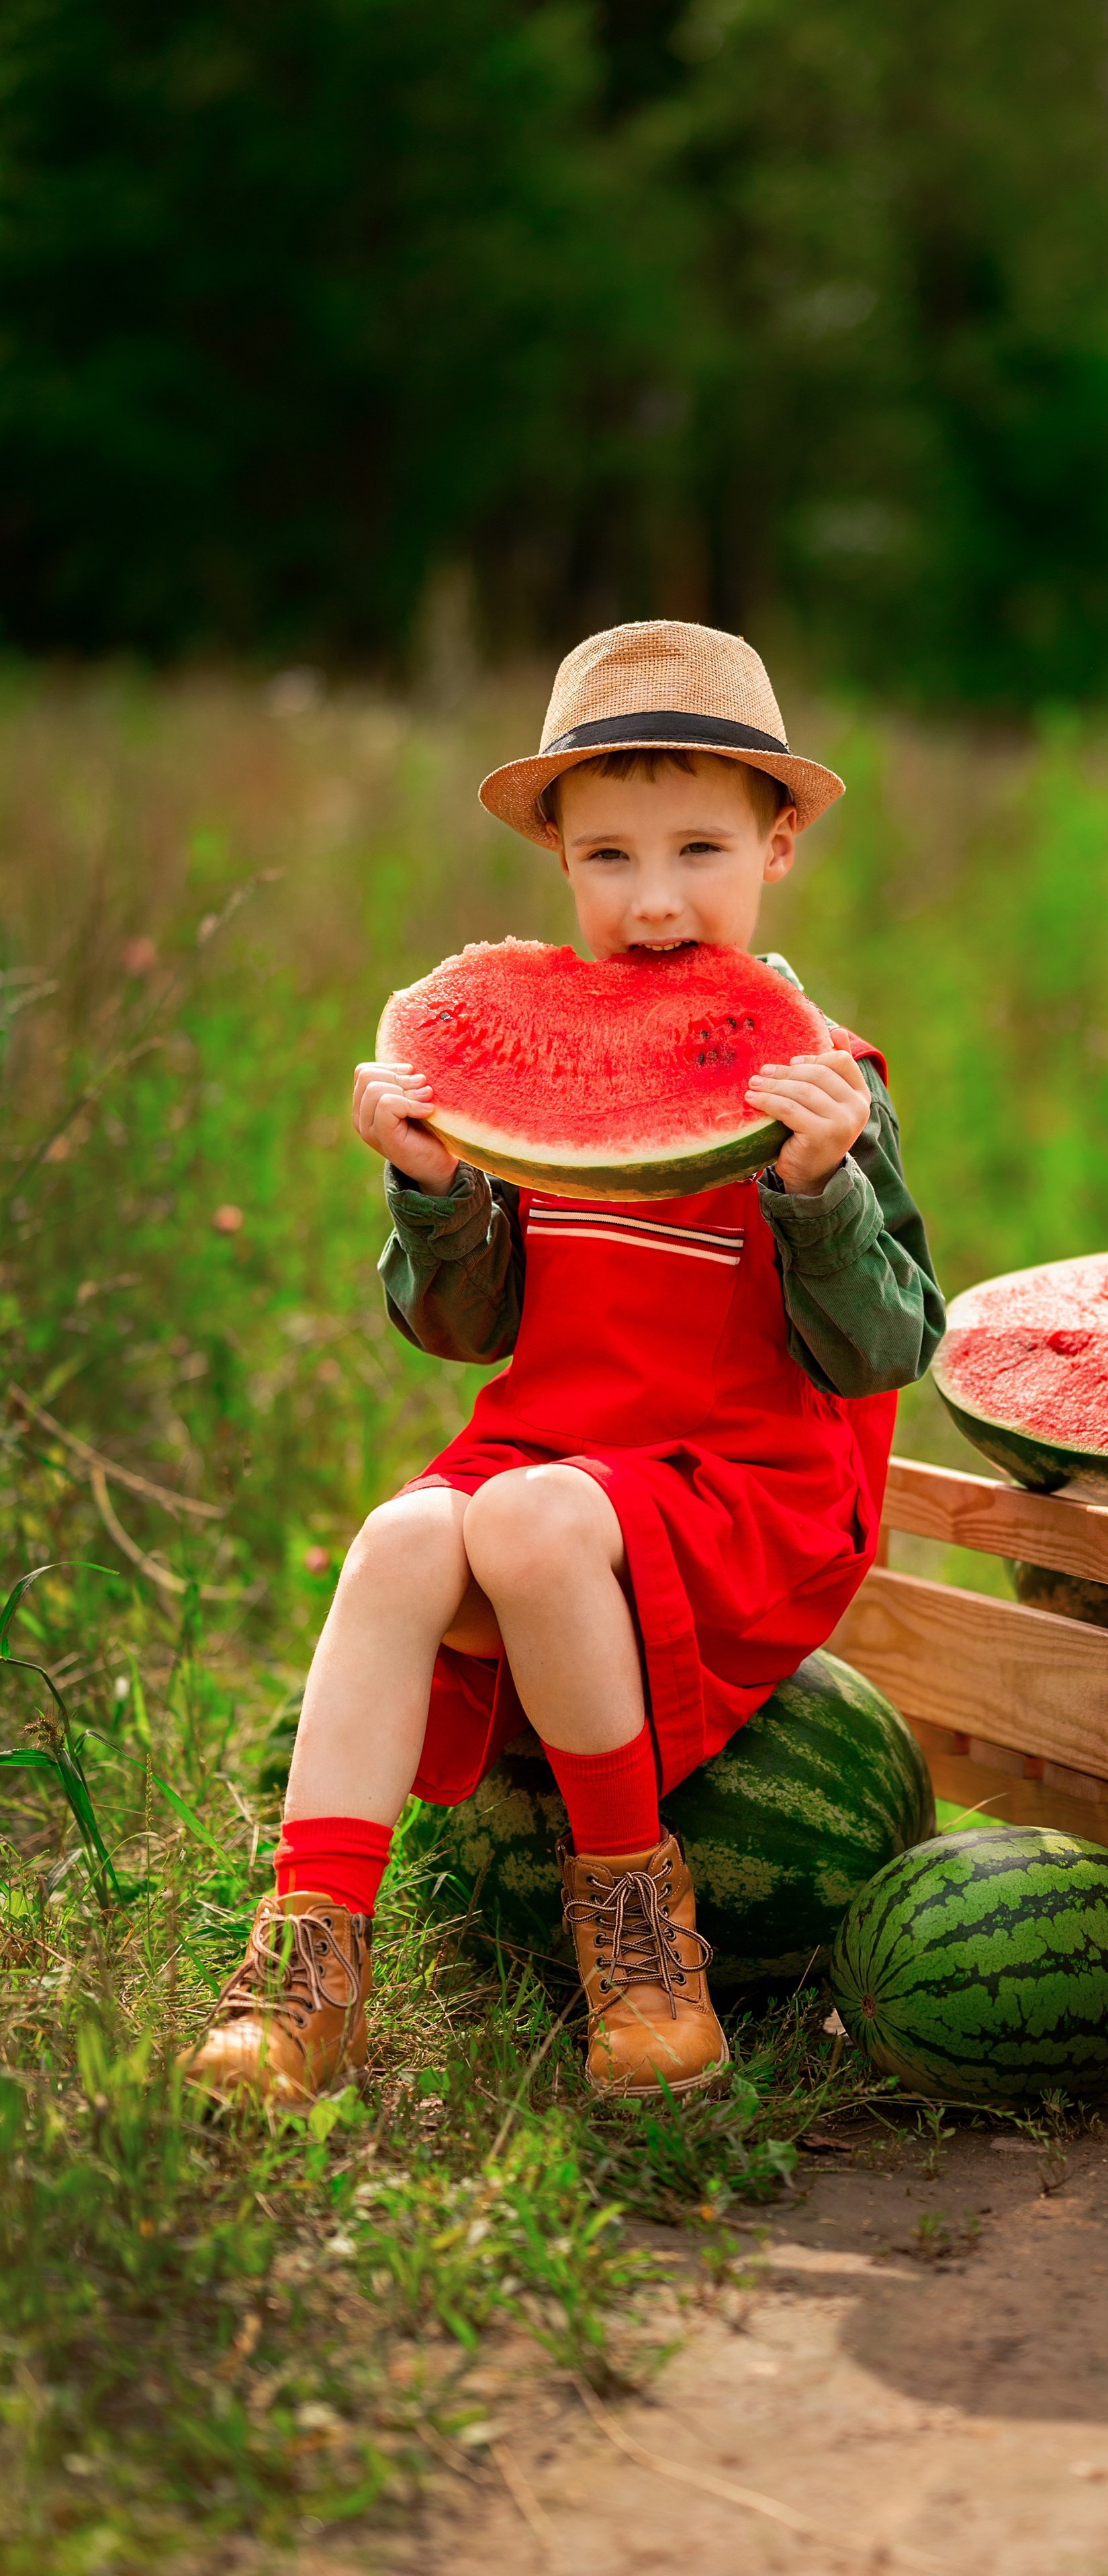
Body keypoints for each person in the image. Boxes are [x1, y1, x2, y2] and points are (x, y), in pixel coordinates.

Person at [185, 621, 943, 2106]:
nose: (654, 900)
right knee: (400, 1540)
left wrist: (817, 1188)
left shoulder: (827, 1084)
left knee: (527, 1522)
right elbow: (465, 1331)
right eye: (608, 857)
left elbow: (885, 1348)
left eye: (699, 850)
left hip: (748, 1486)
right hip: (554, 1449)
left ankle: (639, 1938)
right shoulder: (528, 1070)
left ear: (778, 847)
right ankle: (305, 1966)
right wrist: (432, 1188)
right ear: (558, 861)